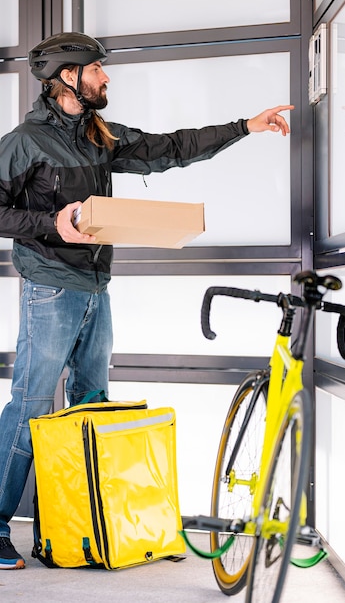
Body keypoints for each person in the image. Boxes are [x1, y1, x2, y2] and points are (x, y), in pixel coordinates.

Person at [0, 32, 294, 569]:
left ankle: (83, 522)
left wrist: (244, 127)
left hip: (95, 287)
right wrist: (51, 223)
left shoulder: (98, 135)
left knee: (92, 400)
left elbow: (169, 149)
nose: (105, 77)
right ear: (69, 76)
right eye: (96, 71)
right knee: (31, 406)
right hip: (49, 286)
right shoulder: (25, 141)